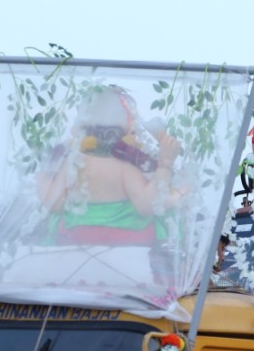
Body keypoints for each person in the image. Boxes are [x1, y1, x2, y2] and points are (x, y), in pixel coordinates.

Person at [36, 87, 184, 244]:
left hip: (76, 240)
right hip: (127, 243)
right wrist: (165, 164)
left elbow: (55, 204)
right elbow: (146, 206)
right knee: (170, 216)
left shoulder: (74, 161)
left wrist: (42, 174)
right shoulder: (124, 165)